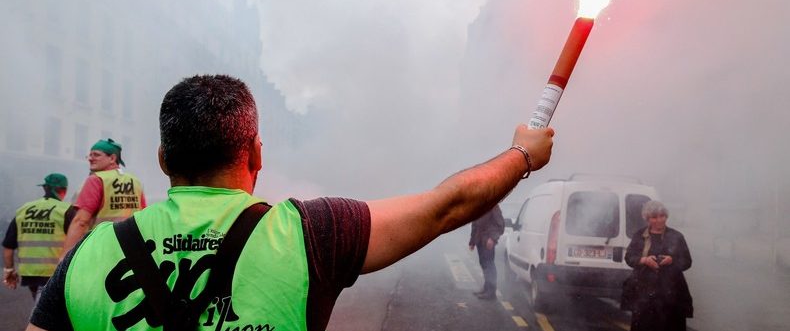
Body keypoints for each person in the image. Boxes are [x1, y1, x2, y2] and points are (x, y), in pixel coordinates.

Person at [28, 74, 555, 331]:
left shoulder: (87, 257)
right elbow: (447, 206)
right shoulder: (311, 232)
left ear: (163, 160)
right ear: (255, 152)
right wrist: (522, 155)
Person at [61, 138, 147, 257]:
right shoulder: (135, 181)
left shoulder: (96, 179)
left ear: (112, 158)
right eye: (90, 155)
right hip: (130, 250)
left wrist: (65, 256)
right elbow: (143, 217)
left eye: (96, 155)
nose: (90, 158)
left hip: (102, 250)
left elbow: (80, 221)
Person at [3, 173, 76, 300]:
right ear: (63, 191)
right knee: (45, 313)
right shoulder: (65, 210)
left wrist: (9, 270)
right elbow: (78, 239)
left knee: (41, 306)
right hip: (55, 272)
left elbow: (8, 246)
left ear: (45, 189)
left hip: (30, 273)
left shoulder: (24, 210)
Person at [623, 200, 693, 331]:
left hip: (671, 294)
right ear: (647, 219)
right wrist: (644, 260)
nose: (659, 220)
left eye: (662, 216)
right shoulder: (640, 236)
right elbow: (629, 258)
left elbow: (687, 261)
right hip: (644, 295)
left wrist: (672, 260)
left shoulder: (676, 236)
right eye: (654, 217)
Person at [468, 204, 505, 300]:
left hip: (488, 241)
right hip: (479, 240)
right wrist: (472, 241)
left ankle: (491, 292)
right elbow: (474, 225)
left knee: (489, 265)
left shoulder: (493, 206)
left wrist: (492, 238)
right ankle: (486, 288)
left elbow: (500, 225)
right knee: (484, 264)